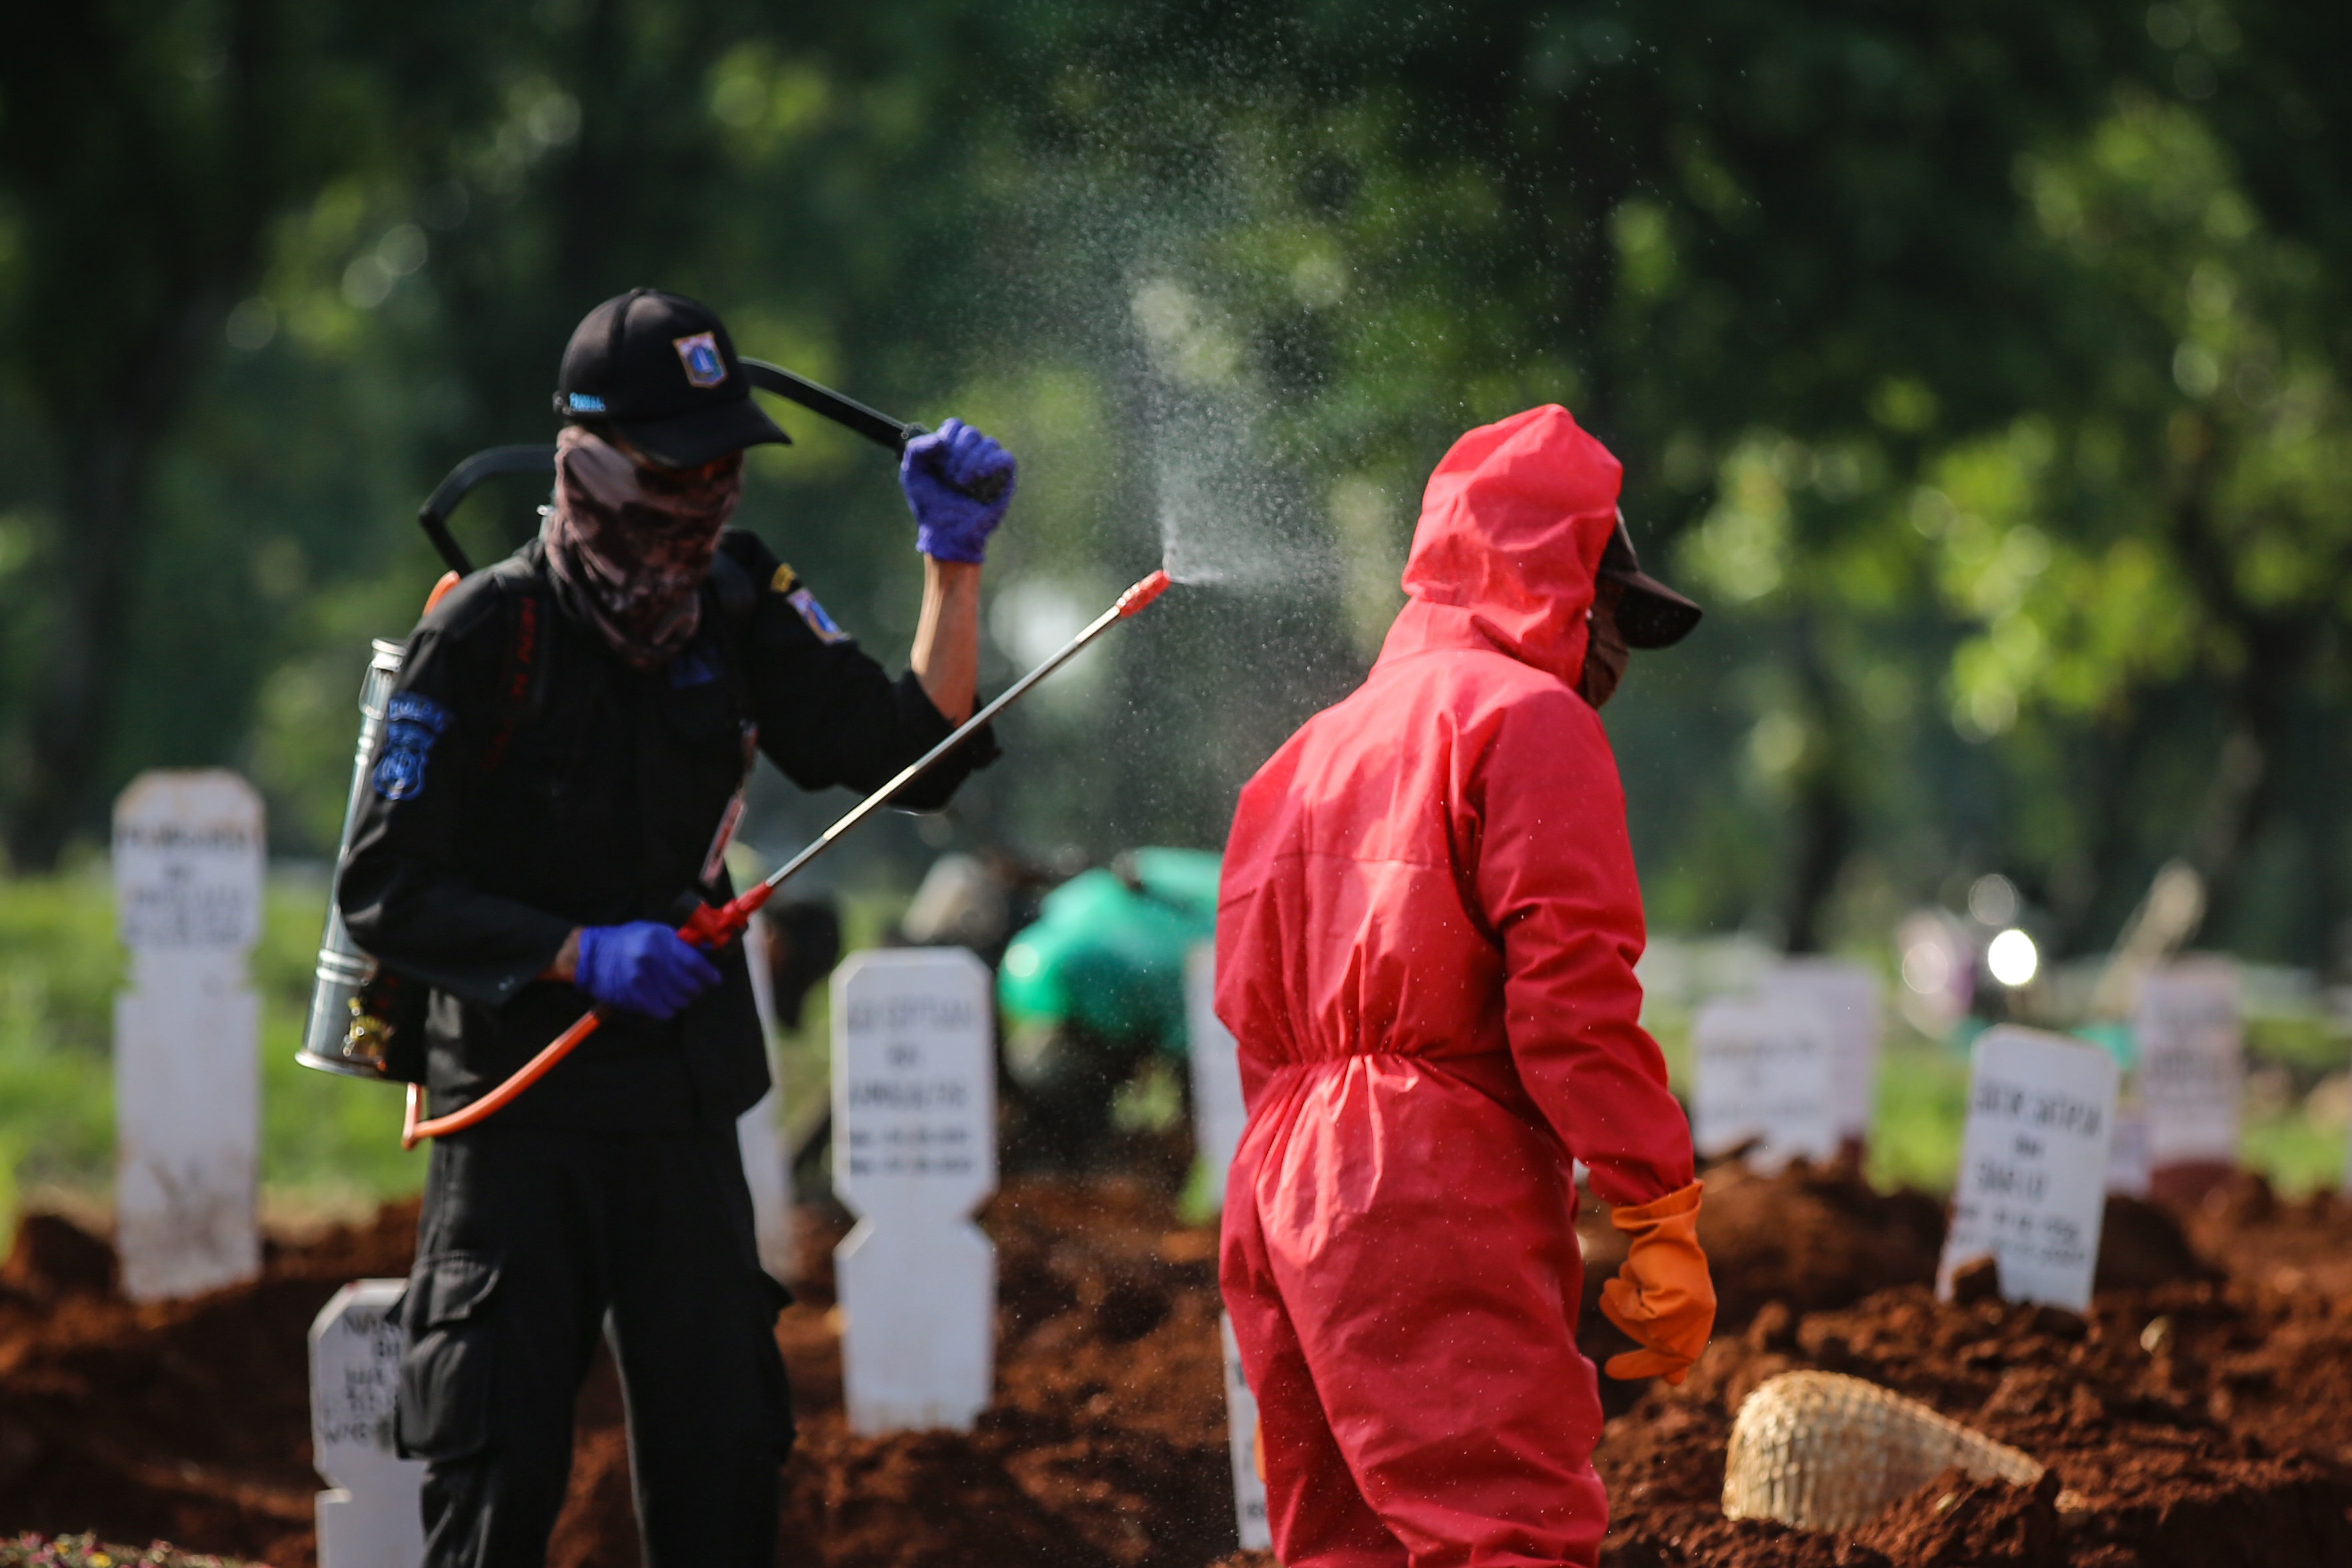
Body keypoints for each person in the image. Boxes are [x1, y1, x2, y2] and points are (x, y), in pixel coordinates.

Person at [338, 287, 1014, 1568]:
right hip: (518, 1119)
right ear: (588, 460)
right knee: (496, 1481)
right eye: (675, 469)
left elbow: (908, 758)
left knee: (721, 1473)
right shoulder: (485, 632)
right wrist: (574, 950)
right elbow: (384, 887)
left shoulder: (741, 600)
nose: (706, 498)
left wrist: (955, 563)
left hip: (681, 1113)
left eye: (723, 469)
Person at [1214, 404, 1717, 1568]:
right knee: (1508, 1534)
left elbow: (1249, 1021)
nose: (1617, 663)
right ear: (1564, 590)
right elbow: (1573, 1003)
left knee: (1342, 1545)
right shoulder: (1529, 720)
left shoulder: (1306, 751)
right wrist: (1655, 1204)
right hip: (1426, 1179)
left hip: (1279, 1187)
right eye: (1617, 624)